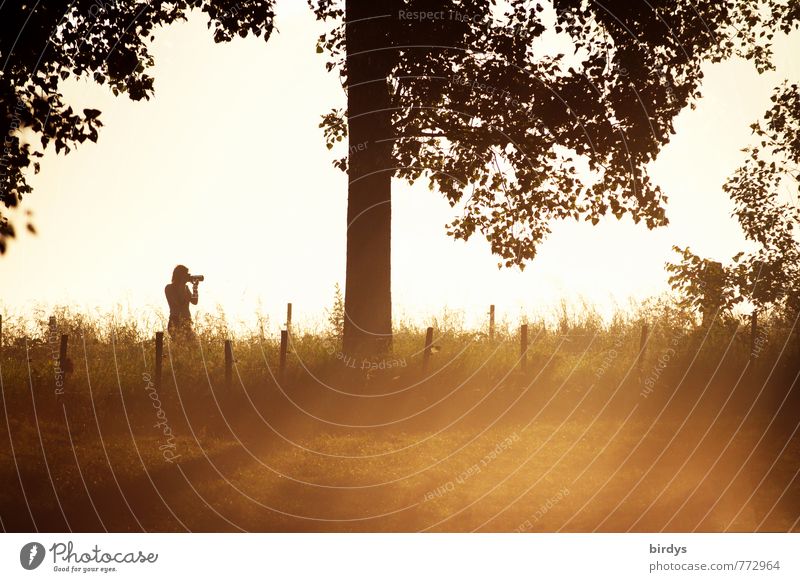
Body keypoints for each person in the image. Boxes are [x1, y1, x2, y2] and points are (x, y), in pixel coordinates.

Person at [165, 264, 200, 340]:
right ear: (180, 275)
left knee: (192, 347)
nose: (188, 276)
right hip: (175, 321)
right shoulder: (169, 288)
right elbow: (178, 302)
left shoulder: (186, 288)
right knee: (180, 345)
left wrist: (195, 288)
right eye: (186, 274)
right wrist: (182, 284)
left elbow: (194, 301)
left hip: (187, 321)